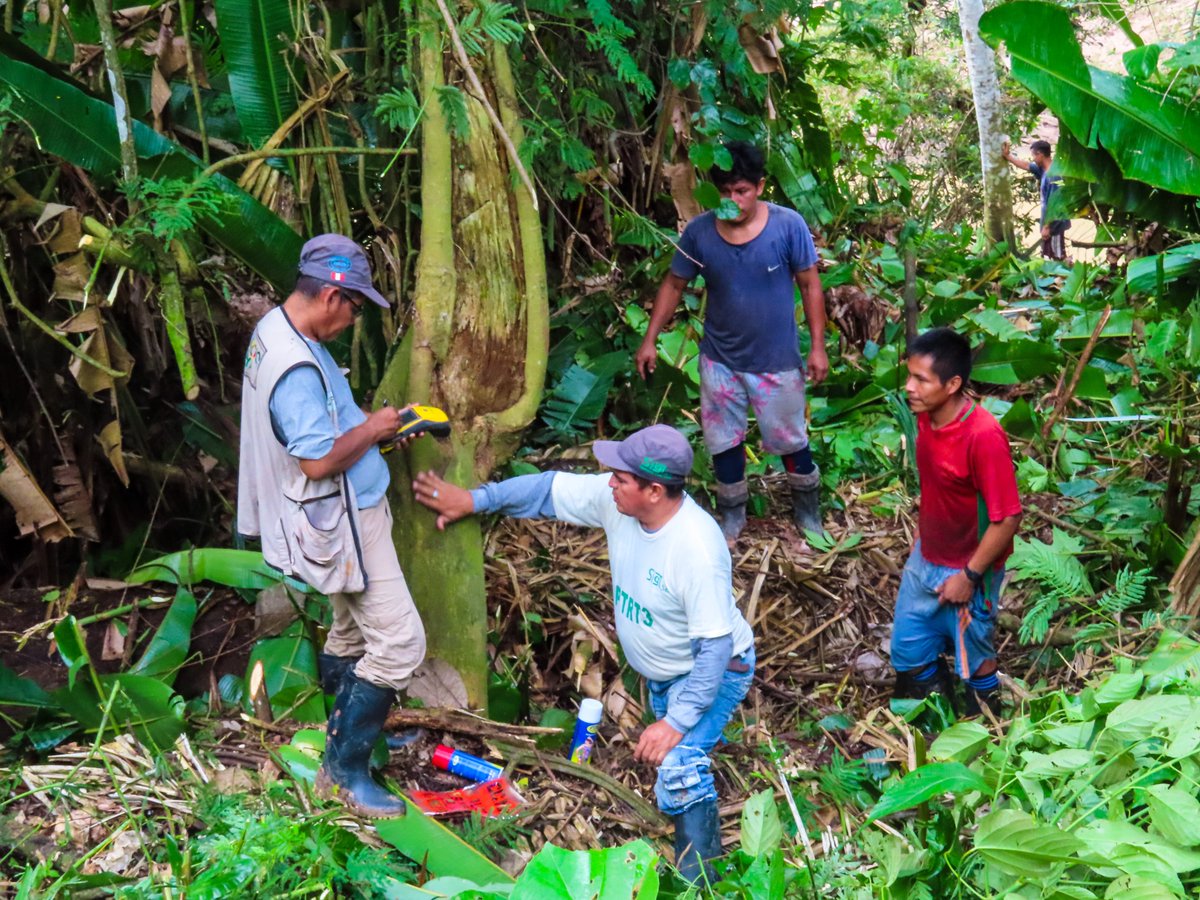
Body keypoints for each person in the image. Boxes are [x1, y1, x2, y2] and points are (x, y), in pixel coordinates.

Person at [411, 425, 755, 883]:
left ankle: (703, 885)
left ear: (653, 491)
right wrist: (474, 500)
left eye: (620, 478)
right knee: (679, 754)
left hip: (712, 670)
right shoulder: (621, 504)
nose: (608, 482)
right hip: (667, 671)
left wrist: (675, 723)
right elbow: (547, 489)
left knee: (678, 766)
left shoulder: (696, 548)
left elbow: (716, 648)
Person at [237, 234, 427, 817]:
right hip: (342, 516)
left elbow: (320, 429)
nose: (354, 319)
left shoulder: (276, 329)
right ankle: (343, 773)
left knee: (350, 633)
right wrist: (372, 431)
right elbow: (316, 460)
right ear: (329, 296)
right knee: (399, 644)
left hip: (335, 512)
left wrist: (377, 430)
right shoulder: (295, 368)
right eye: (355, 306)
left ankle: (353, 737)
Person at [635, 141, 829, 545]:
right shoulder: (701, 232)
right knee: (724, 439)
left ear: (759, 187)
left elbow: (810, 285)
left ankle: (808, 511)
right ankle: (732, 515)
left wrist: (817, 347)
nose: (733, 200)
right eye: (725, 192)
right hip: (720, 359)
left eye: (741, 191)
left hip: (776, 359)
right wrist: (650, 339)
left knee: (791, 436)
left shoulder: (788, 225)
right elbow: (674, 283)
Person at [890, 329, 1022, 716]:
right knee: (908, 652)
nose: (909, 387)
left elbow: (1008, 517)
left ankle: (984, 730)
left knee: (975, 657)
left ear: (953, 384)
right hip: (926, 557)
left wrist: (969, 575)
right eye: (909, 376)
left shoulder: (982, 436)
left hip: (968, 567)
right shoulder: (926, 419)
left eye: (921, 380)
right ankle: (934, 726)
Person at [1002, 139, 1069, 261]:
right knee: (1048, 256)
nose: (1032, 158)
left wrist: (1047, 226)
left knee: (1057, 257)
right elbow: (1027, 166)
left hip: (1055, 224)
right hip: (1050, 224)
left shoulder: (1054, 175)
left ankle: (1063, 277)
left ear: (1040, 154)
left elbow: (1055, 203)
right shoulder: (1044, 170)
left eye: (1033, 155)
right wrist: (1007, 156)